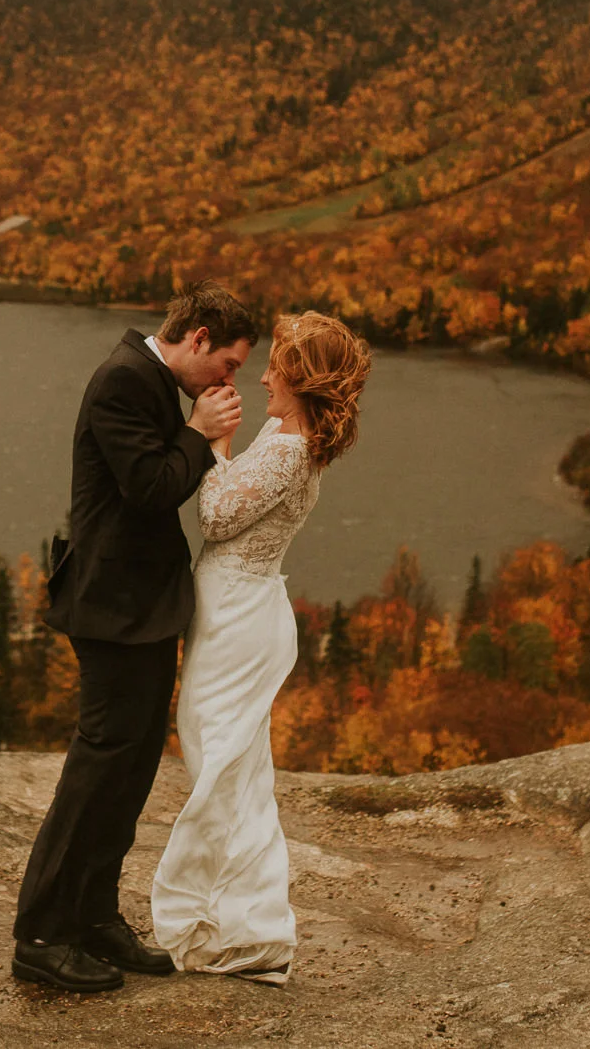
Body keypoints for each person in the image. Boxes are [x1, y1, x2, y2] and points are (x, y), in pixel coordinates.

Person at [11, 281, 259, 994]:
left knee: (131, 768)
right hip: (110, 610)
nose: (228, 379)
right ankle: (40, 932)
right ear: (200, 338)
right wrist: (203, 434)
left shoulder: (150, 380)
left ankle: (92, 916)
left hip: (141, 609)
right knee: (98, 769)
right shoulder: (124, 379)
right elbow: (150, 486)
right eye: (230, 364)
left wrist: (196, 433)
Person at [151, 311, 371, 986]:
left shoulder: (287, 446)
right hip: (242, 611)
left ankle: (241, 932)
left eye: (278, 364)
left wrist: (212, 441)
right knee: (234, 770)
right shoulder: (288, 433)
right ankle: (240, 923)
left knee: (224, 769)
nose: (265, 373)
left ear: (302, 379)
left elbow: (216, 516)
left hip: (240, 618)